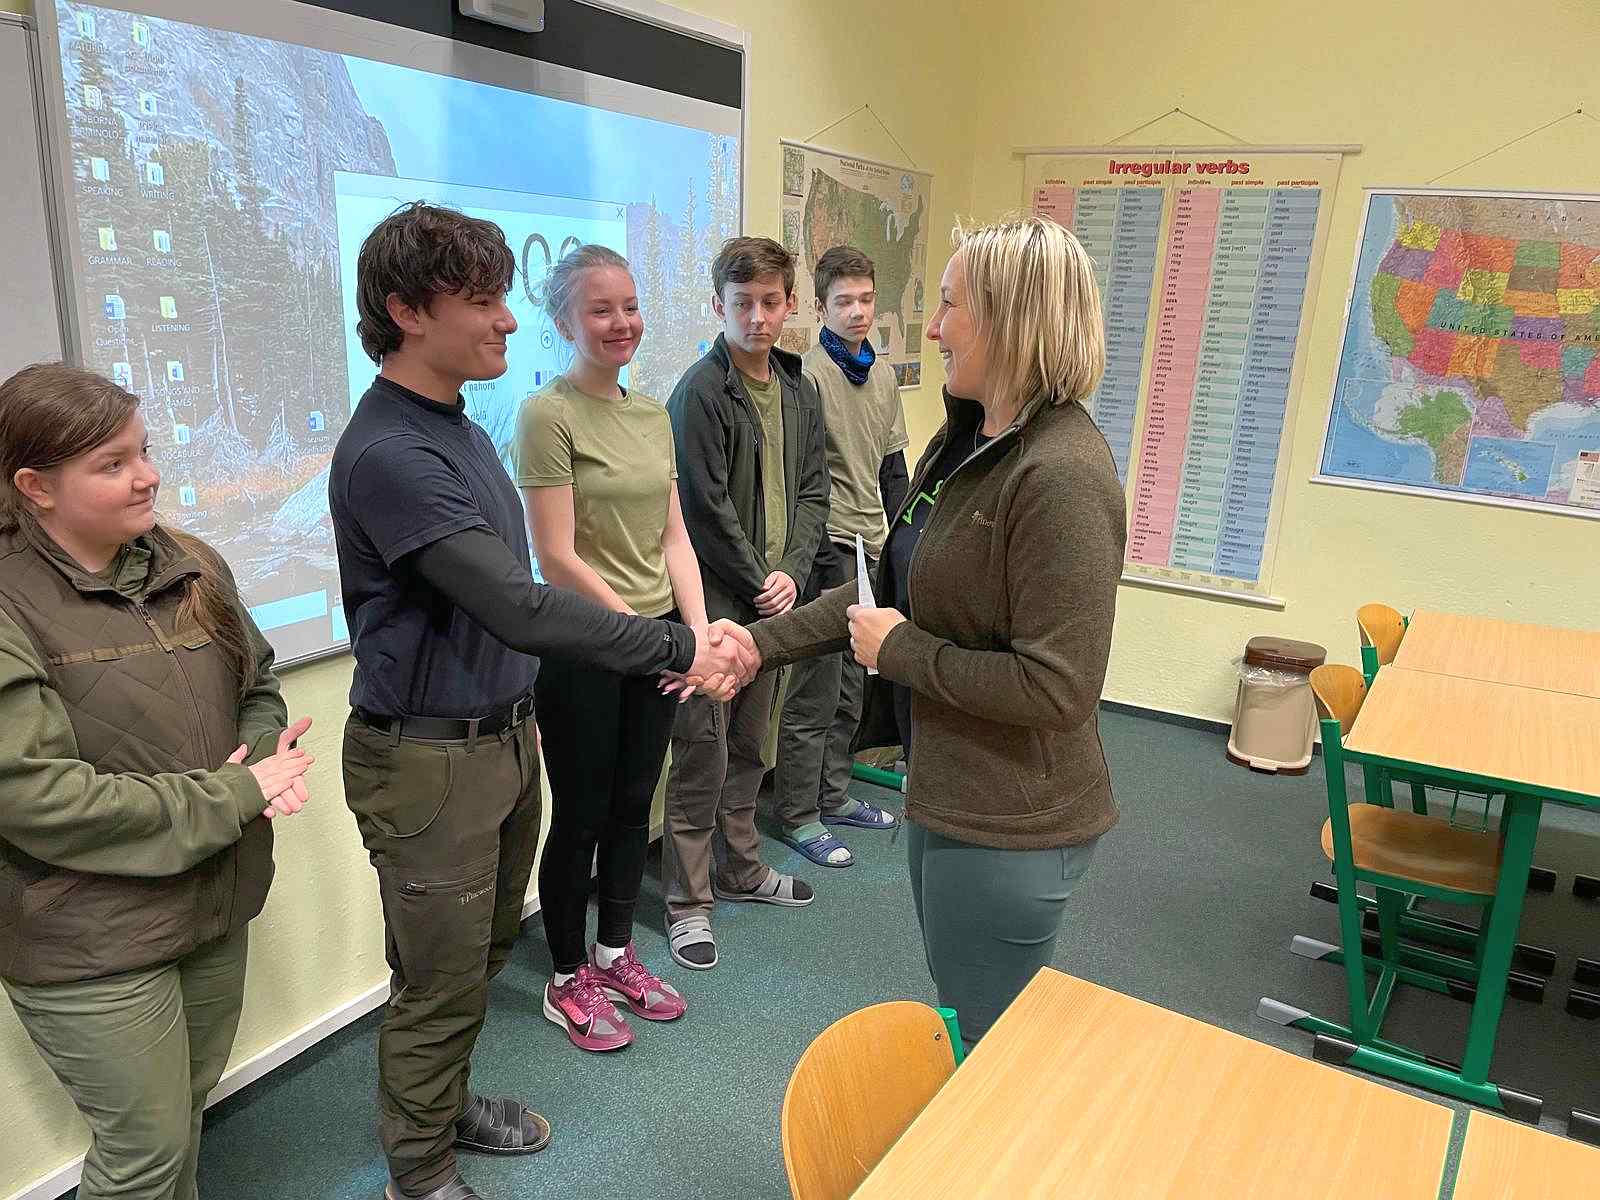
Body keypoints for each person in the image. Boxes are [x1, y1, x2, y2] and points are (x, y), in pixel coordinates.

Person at [329, 203, 751, 1200]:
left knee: (478, 956)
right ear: (406, 311)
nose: (508, 319)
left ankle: (443, 1107)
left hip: (498, 741)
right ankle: (419, 1172)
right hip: (429, 761)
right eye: (481, 300)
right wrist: (679, 644)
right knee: (437, 978)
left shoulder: (457, 431)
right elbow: (521, 603)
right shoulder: (392, 454)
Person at [746, 216, 1125, 1046]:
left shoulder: (1060, 473)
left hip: (1011, 820)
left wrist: (902, 653)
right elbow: (885, 592)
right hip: (948, 788)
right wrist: (754, 646)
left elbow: (1058, 688)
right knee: (964, 1006)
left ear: (1010, 320)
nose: (934, 328)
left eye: (950, 305)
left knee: (987, 1043)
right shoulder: (967, 439)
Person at [0, 362, 314, 1200]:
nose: (147, 476)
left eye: (144, 451)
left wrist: (260, 747)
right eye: (112, 464)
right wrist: (239, 792)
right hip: (86, 931)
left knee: (181, 1122)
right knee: (142, 1156)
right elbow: (33, 796)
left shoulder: (191, 563)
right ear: (34, 487)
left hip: (210, 899)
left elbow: (257, 682)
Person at [515, 245, 697, 1051]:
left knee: (634, 806)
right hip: (585, 649)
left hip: (653, 643)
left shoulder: (653, 414)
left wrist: (693, 636)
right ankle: (566, 978)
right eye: (600, 309)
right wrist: (648, 639)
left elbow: (673, 538)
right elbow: (556, 557)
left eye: (629, 305)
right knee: (582, 814)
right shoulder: (546, 414)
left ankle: (615, 954)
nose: (622, 322)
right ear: (564, 322)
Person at [662, 235, 831, 970]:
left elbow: (815, 491)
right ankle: (687, 904)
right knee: (701, 750)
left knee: (751, 747)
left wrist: (792, 572)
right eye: (742, 304)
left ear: (790, 304)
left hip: (775, 606)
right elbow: (703, 509)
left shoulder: (799, 389)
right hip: (718, 608)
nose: (757, 318)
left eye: (770, 302)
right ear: (718, 306)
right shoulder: (699, 393)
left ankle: (741, 868)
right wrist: (762, 577)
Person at [771, 245, 910, 868]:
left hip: (871, 546)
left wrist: (904, 544)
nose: (858, 312)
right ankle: (798, 815)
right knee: (816, 690)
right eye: (844, 301)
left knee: (854, 686)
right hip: (826, 545)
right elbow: (798, 478)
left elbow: (892, 469)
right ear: (820, 306)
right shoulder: (806, 378)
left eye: (866, 299)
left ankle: (833, 796)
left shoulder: (882, 376)